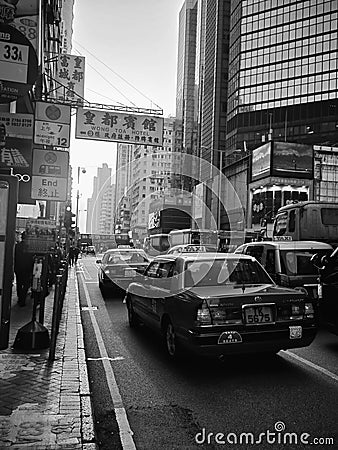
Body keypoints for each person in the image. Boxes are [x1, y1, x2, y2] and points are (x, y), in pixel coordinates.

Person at [14, 232, 33, 306]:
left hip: (18, 268)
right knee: (26, 284)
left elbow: (14, 257)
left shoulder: (17, 246)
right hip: (27, 269)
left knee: (19, 283)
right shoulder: (29, 246)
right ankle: (22, 298)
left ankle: (20, 297)